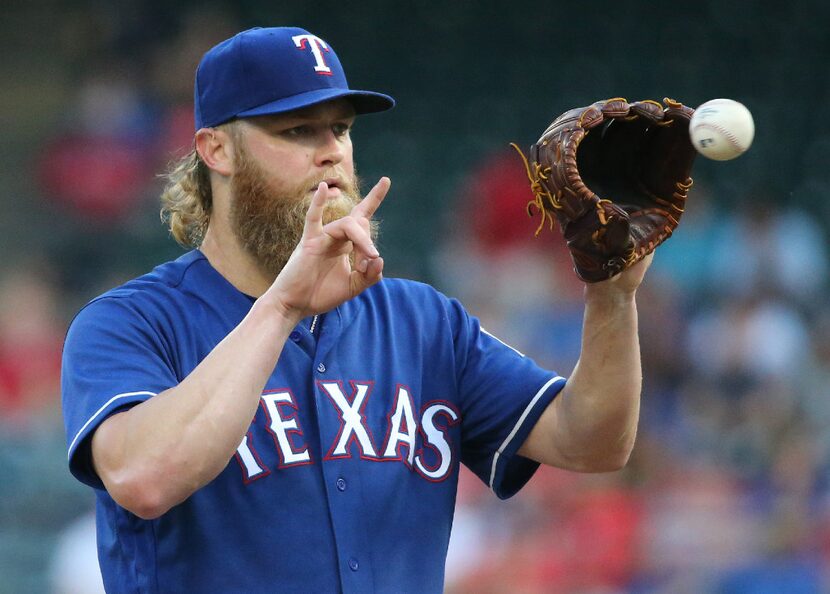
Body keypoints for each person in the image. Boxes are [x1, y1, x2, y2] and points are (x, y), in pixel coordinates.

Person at [61, 26, 650, 593]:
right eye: (296, 131)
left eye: (339, 129)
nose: (330, 154)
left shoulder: (423, 323)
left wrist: (612, 296)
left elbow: (591, 442)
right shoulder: (131, 323)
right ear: (217, 149)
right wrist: (282, 307)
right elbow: (142, 477)